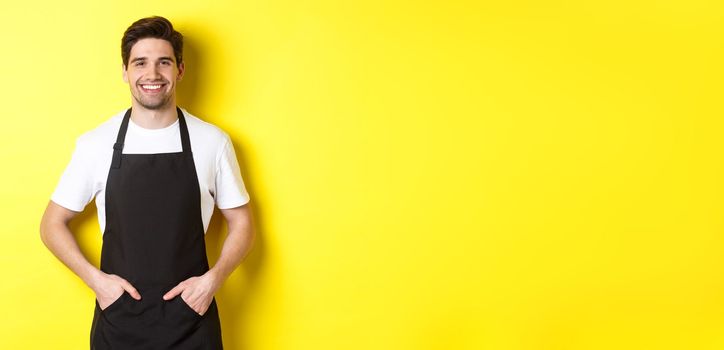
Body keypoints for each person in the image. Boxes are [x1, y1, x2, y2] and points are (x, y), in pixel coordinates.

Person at [39, 16, 254, 349]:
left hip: (192, 323)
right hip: (119, 322)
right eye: (140, 63)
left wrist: (214, 280)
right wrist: (98, 284)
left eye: (163, 62)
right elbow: (51, 225)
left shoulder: (213, 142)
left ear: (179, 70)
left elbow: (242, 223)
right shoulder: (96, 143)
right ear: (125, 71)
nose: (152, 74)